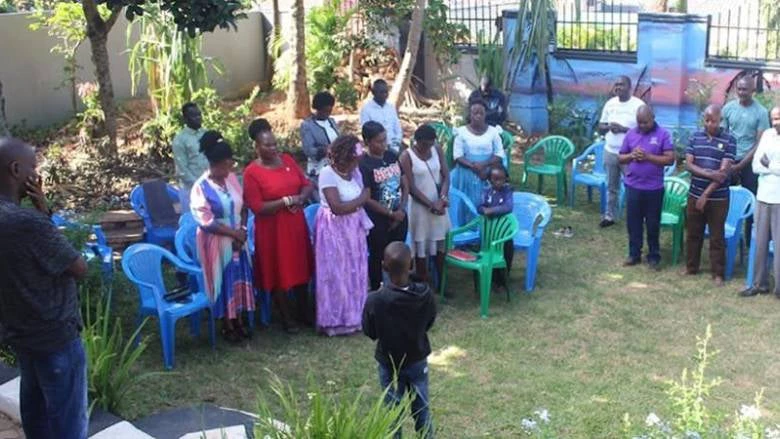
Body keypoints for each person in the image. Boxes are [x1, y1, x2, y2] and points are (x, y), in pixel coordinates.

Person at [0, 137, 89, 439]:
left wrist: (41, 210)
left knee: (36, 419)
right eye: (33, 168)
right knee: (68, 426)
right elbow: (79, 268)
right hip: (55, 337)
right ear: (15, 170)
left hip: (21, 334)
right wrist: (43, 211)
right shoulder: (27, 223)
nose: (36, 175)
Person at [243, 119, 314, 334]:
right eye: (267, 145)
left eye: (274, 144)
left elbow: (307, 184)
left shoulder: (288, 160)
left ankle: (304, 311)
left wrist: (300, 198)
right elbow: (257, 206)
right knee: (279, 271)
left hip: (295, 225)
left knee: (300, 266)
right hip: (272, 230)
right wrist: (285, 202)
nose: (273, 149)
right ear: (256, 147)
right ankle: (286, 317)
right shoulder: (251, 173)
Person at [362, 242, 436, 439]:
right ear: (411, 265)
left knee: (391, 410)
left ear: (383, 267)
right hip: (417, 359)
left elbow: (370, 332)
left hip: (389, 363)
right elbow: (429, 321)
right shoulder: (425, 294)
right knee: (422, 408)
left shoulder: (375, 300)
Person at [190, 131, 255, 341]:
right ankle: (227, 323)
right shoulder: (201, 187)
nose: (232, 167)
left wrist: (243, 231)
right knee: (224, 279)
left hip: (239, 238)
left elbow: (244, 207)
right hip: (217, 241)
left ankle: (239, 318)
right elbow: (206, 220)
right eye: (229, 163)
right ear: (220, 163)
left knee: (239, 276)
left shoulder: (232, 180)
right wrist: (232, 233)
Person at [315, 135, 373, 336]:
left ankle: (355, 317)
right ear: (343, 157)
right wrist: (362, 199)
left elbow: (364, 192)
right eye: (354, 158)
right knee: (337, 273)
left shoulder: (354, 172)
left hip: (353, 230)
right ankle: (335, 320)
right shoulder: (327, 174)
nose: (357, 162)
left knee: (354, 270)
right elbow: (337, 207)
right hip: (334, 230)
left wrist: (361, 199)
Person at [683, 105, 736, 286]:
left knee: (716, 236)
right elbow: (689, 165)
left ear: (720, 119)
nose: (709, 124)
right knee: (693, 233)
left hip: (718, 197)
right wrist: (708, 174)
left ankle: (718, 273)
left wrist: (706, 194)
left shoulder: (730, 140)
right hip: (694, 193)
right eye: (706, 120)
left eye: (713, 120)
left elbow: (722, 174)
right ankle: (691, 267)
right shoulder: (695, 136)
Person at [618, 105, 675, 270]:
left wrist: (648, 157)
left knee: (652, 223)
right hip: (633, 185)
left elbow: (670, 159)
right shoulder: (631, 133)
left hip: (653, 188)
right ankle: (634, 254)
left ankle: (653, 256)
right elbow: (621, 158)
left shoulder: (663, 134)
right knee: (633, 223)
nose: (641, 126)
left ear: (653, 118)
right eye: (639, 122)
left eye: (645, 122)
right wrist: (631, 155)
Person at [360, 121, 409, 291]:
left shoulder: (391, 156)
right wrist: (390, 214)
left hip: (400, 215)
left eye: (384, 139)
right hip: (378, 220)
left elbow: (404, 183)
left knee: (398, 255)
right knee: (378, 256)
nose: (383, 144)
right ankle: (377, 290)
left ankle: (399, 288)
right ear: (367, 142)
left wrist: (401, 209)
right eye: (379, 141)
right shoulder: (363, 164)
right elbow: (367, 199)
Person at [399, 124, 451, 285]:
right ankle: (423, 279)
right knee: (421, 243)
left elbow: (446, 175)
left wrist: (442, 198)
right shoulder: (406, 156)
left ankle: (442, 280)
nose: (427, 147)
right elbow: (411, 187)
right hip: (419, 208)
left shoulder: (437, 149)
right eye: (424, 144)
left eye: (430, 143)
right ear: (416, 140)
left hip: (439, 204)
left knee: (440, 242)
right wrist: (431, 205)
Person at [722, 77, 770, 247]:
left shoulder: (761, 112)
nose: (741, 93)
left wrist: (741, 165)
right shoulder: (728, 109)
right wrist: (728, 161)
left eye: (745, 90)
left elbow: (759, 143)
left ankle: (750, 240)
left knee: (751, 200)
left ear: (752, 91)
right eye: (739, 89)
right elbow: (724, 136)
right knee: (726, 198)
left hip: (749, 162)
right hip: (729, 159)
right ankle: (726, 236)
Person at [740, 106, 780, 297]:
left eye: (779, 118)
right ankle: (759, 284)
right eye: (773, 118)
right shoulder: (767, 135)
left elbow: (767, 165)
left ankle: (778, 288)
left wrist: (769, 165)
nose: (776, 122)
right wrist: (772, 167)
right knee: (760, 241)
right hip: (763, 196)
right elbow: (756, 165)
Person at [597, 76, 645, 228]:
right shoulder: (610, 104)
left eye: (621, 85)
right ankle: (609, 216)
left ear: (629, 87)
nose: (618, 87)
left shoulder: (638, 105)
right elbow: (600, 127)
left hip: (630, 155)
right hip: (611, 151)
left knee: (635, 186)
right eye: (616, 85)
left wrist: (623, 129)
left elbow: (645, 129)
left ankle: (637, 216)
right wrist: (609, 127)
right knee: (612, 186)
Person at [450, 99, 505, 209]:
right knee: (466, 205)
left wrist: (484, 166)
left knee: (485, 204)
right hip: (466, 173)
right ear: (470, 115)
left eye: (481, 113)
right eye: (475, 113)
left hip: (488, 172)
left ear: (485, 115)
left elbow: (499, 154)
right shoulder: (461, 132)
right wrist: (475, 167)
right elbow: (458, 156)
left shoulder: (494, 132)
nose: (478, 116)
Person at [478, 165, 514, 289]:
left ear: (505, 179)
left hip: (505, 232)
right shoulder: (486, 191)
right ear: (489, 179)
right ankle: (492, 279)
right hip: (491, 232)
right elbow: (480, 207)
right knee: (490, 252)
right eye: (495, 179)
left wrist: (491, 210)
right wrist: (484, 210)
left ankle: (503, 280)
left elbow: (508, 207)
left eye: (501, 179)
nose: (498, 182)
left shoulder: (507, 192)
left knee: (506, 254)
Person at [172, 102, 208, 213]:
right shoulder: (180, 140)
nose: (198, 118)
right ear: (186, 119)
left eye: (199, 115)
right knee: (193, 224)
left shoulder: (206, 134)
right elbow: (182, 170)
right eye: (194, 116)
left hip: (210, 188)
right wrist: (199, 185)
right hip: (190, 190)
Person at [300, 91, 340, 181]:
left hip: (336, 168)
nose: (328, 114)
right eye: (325, 111)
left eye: (330, 111)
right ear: (318, 109)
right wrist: (326, 149)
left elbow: (339, 139)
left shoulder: (331, 121)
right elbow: (309, 151)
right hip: (319, 171)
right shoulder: (307, 125)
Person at [359, 79, 404, 153]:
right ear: (373, 93)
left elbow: (398, 129)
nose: (385, 95)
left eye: (386, 92)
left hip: (395, 146)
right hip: (377, 149)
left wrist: (396, 146)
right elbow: (367, 132)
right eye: (381, 92)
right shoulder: (367, 109)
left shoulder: (391, 107)